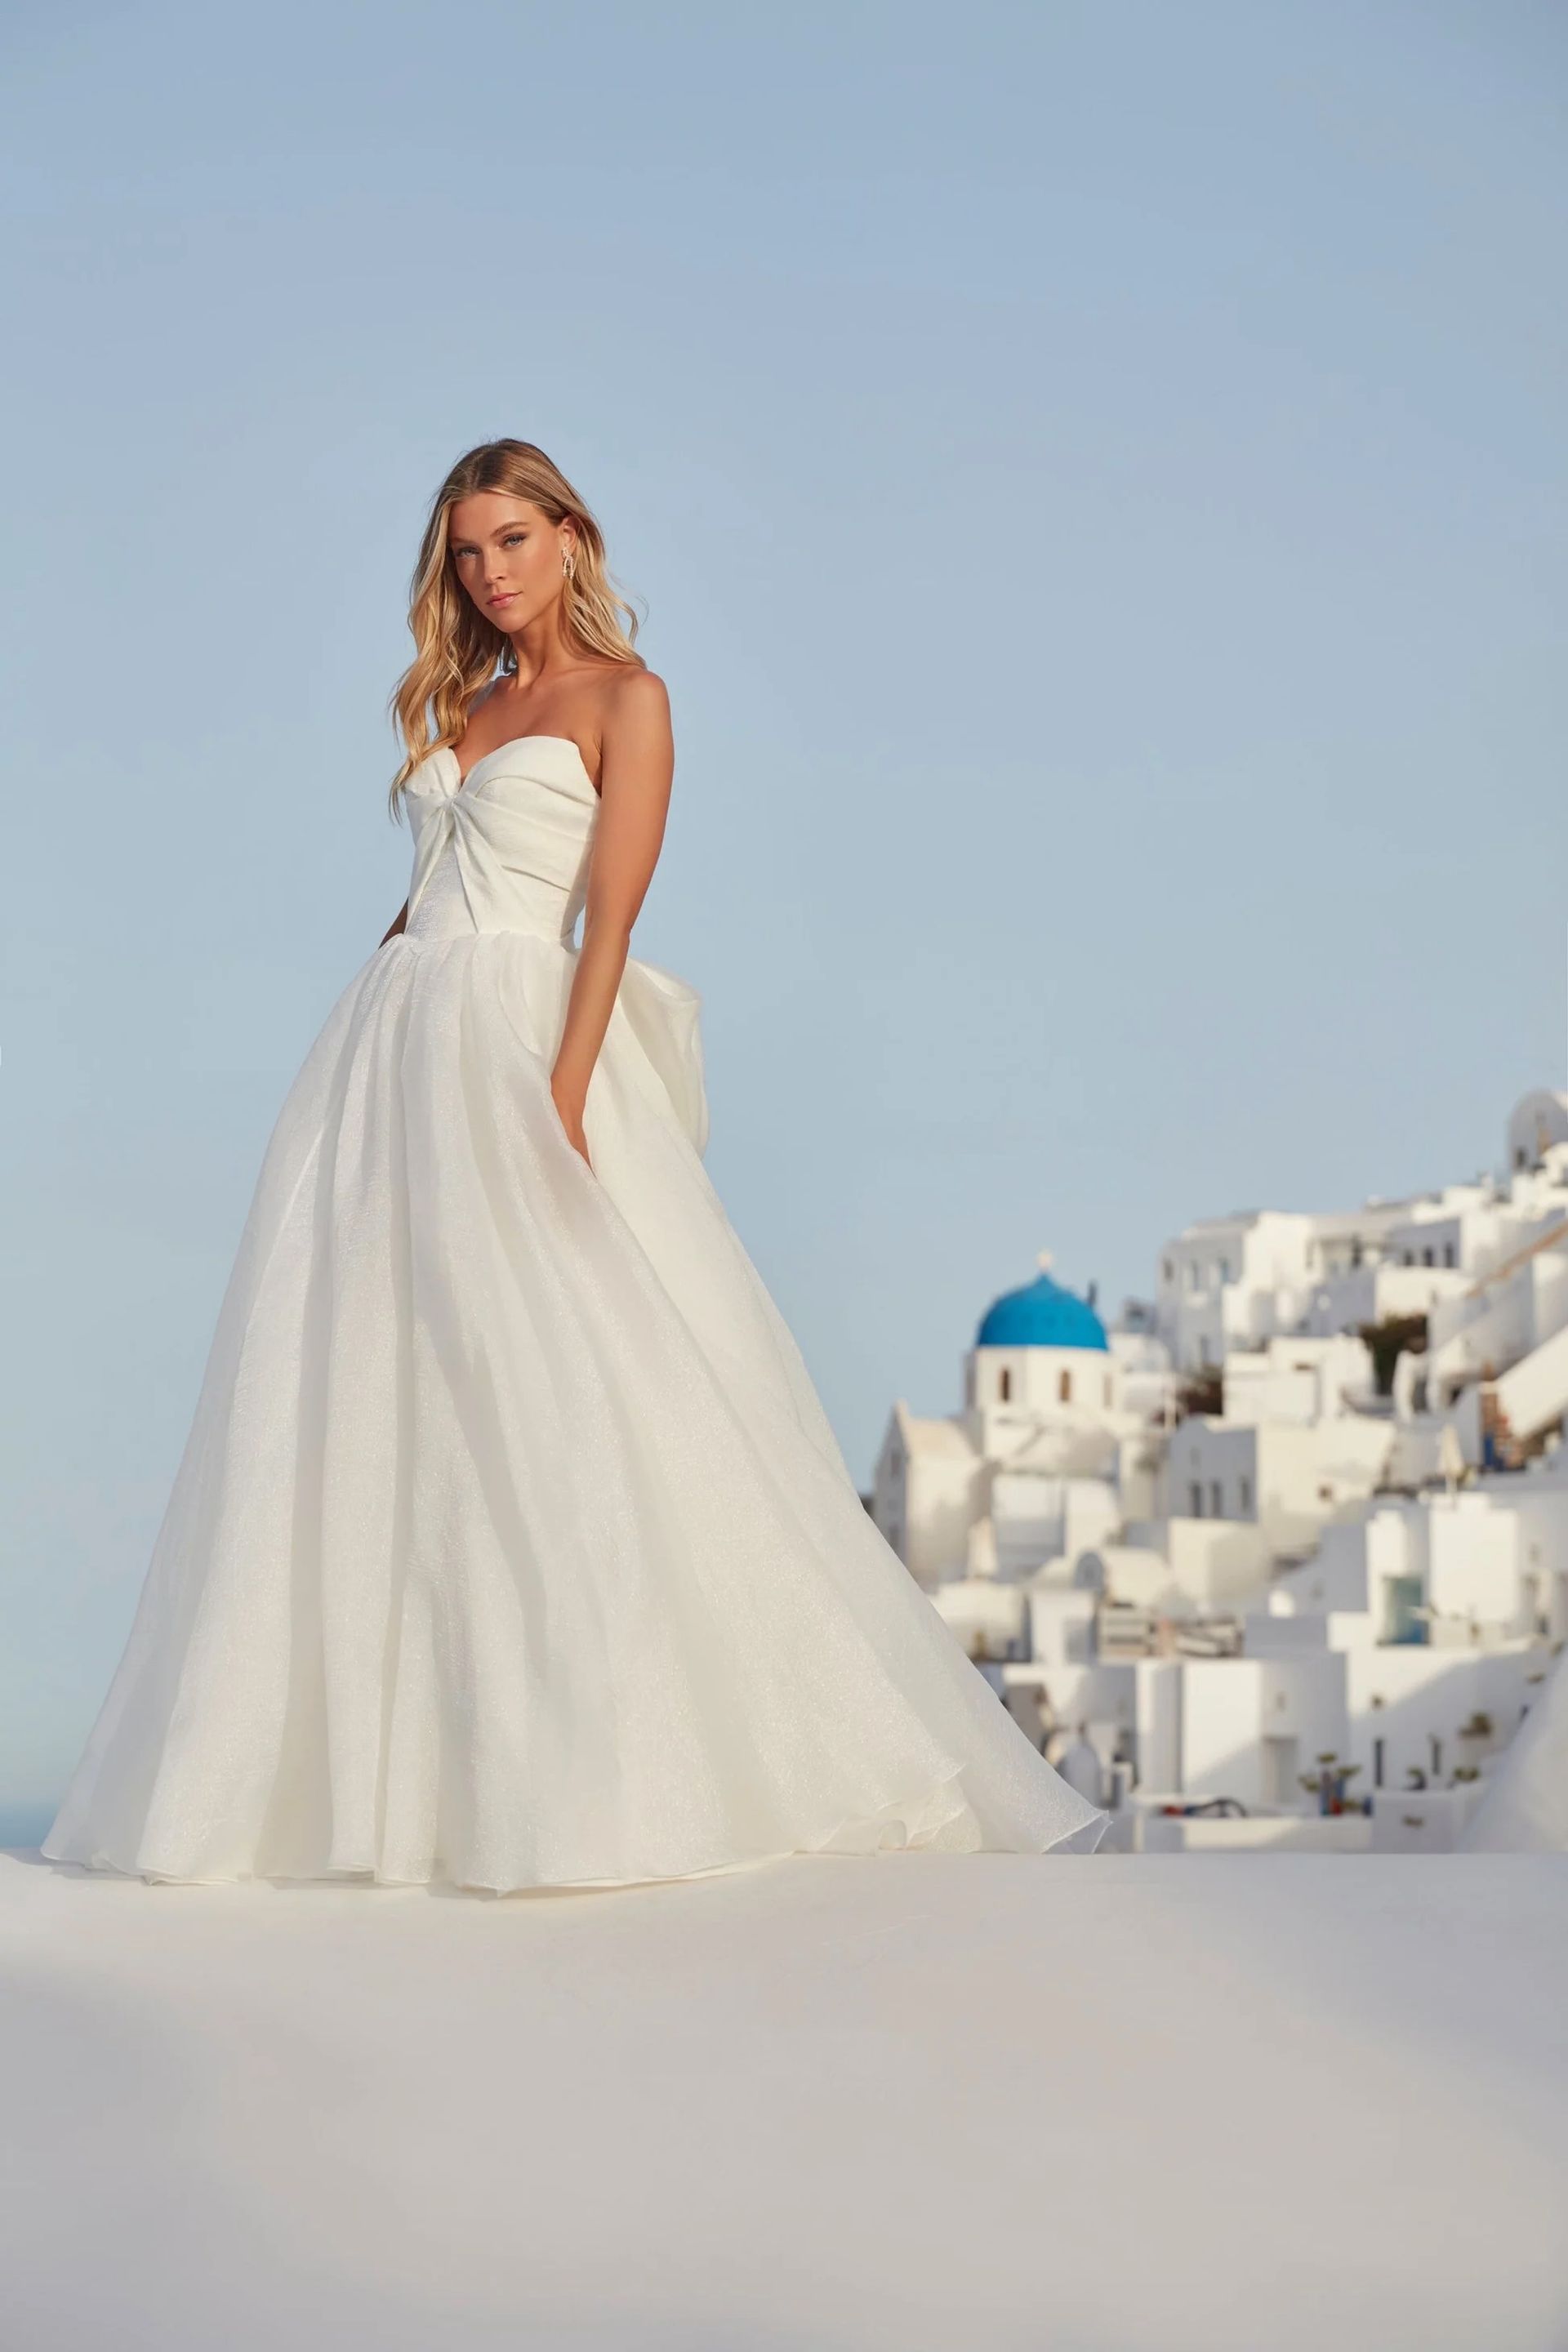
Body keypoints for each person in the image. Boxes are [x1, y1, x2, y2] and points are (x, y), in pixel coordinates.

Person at [43, 439, 1105, 1891]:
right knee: (374, 1392)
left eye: (512, 541)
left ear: (570, 535)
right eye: (467, 552)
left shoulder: (629, 701)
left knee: (568, 1377)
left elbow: (608, 918)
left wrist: (560, 1088)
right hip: (389, 1049)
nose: (489, 573)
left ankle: (637, 1768)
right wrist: (348, 1057)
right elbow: (417, 907)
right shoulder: (462, 704)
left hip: (518, 1038)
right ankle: (379, 1797)